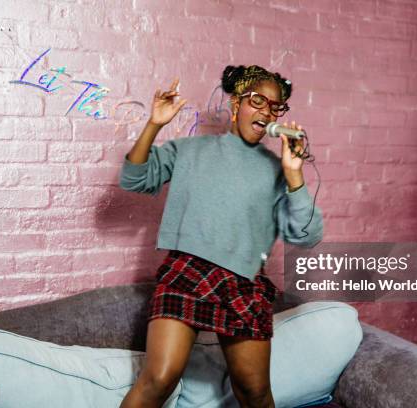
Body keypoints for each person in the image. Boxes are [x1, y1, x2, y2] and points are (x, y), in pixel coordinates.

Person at [118, 65, 323, 408]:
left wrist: (293, 174)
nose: (267, 111)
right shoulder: (189, 151)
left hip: (242, 285)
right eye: (258, 101)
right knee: (159, 377)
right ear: (235, 105)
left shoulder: (277, 169)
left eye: (275, 106)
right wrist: (155, 123)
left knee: (254, 393)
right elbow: (134, 179)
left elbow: (305, 235)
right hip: (186, 273)